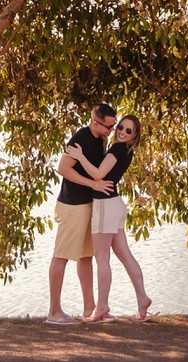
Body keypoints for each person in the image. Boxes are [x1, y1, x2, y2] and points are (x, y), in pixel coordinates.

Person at [65, 113, 153, 323]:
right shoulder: (126, 151)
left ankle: (102, 307)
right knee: (125, 255)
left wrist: (80, 156)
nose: (122, 132)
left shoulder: (117, 149)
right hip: (115, 204)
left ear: (134, 136)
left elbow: (98, 174)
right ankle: (142, 298)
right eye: (120, 127)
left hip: (105, 205)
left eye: (128, 131)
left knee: (102, 259)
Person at [45, 103, 117, 325]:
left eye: (114, 126)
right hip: (72, 206)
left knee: (86, 256)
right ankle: (54, 312)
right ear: (95, 122)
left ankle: (89, 309)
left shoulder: (101, 139)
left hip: (89, 205)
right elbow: (63, 169)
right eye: (109, 127)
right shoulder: (80, 138)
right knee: (61, 256)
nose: (112, 130)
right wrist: (93, 184)